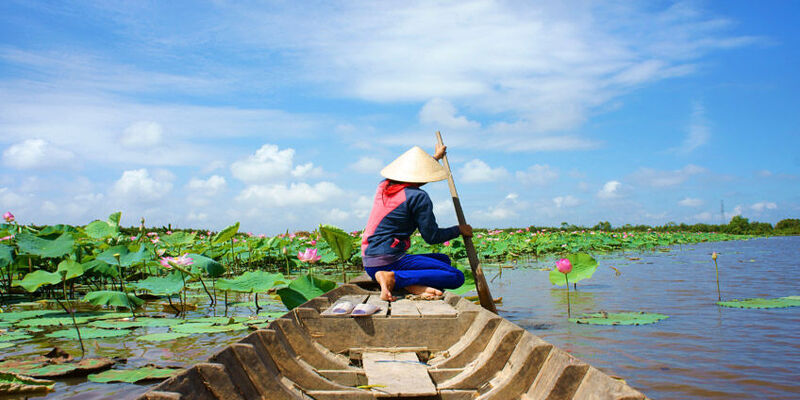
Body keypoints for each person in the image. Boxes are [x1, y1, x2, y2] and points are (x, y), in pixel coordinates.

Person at [361, 144, 472, 301]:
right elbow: (431, 237)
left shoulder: (383, 186)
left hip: (369, 262)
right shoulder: (418, 197)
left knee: (443, 260)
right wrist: (459, 230)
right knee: (456, 276)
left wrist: (435, 158)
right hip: (389, 261)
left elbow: (414, 176)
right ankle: (394, 278)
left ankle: (408, 284)